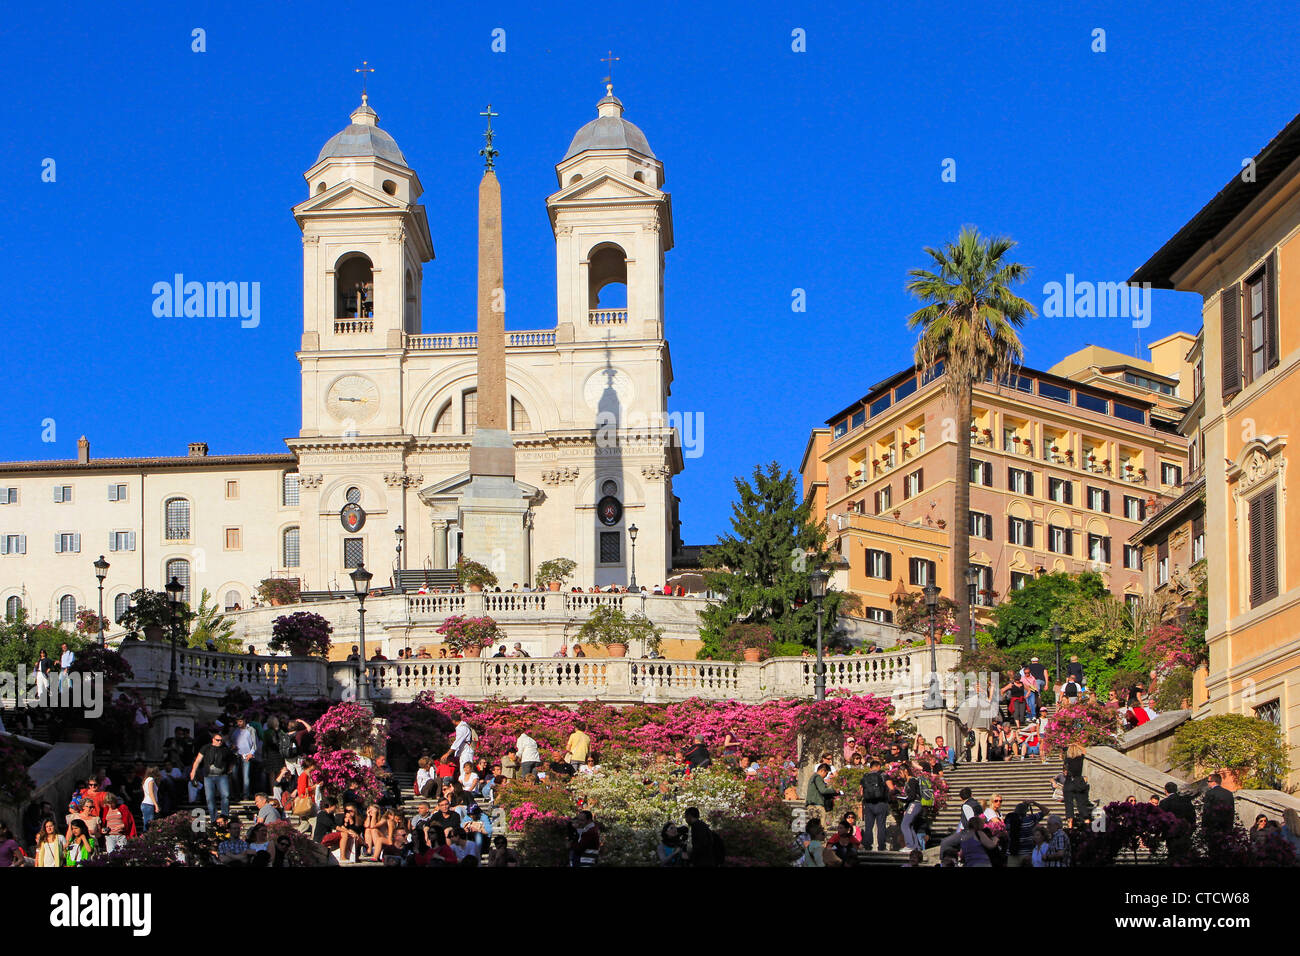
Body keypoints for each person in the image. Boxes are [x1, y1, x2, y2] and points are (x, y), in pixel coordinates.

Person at [191, 731, 236, 819]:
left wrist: (230, 770)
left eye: (221, 740)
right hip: (209, 776)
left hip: (222, 775)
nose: (219, 742)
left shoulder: (225, 749)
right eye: (217, 740)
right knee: (210, 798)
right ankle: (213, 818)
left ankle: (224, 815)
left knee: (225, 795)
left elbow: (232, 760)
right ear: (213, 740)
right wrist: (193, 771)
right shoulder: (206, 748)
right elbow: (198, 760)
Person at [860, 758, 891, 852]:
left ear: (870, 768)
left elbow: (861, 792)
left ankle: (867, 846)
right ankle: (881, 846)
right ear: (879, 767)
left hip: (869, 803)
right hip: (881, 803)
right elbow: (891, 788)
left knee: (868, 826)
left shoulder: (865, 776)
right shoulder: (884, 775)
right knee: (881, 825)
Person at [897, 763, 925, 852]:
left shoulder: (912, 781)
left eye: (900, 773)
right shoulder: (908, 782)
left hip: (915, 804)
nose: (900, 775)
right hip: (912, 804)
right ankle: (916, 847)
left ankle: (910, 845)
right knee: (910, 825)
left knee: (904, 825)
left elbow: (911, 796)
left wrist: (899, 797)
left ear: (905, 771)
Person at [1062, 743, 1090, 821]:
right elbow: (1084, 751)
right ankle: (1086, 821)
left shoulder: (1067, 759)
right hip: (1079, 782)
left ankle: (1070, 823)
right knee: (1081, 803)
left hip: (1069, 782)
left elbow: (1065, 771)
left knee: (1069, 804)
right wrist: (1077, 745)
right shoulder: (1080, 758)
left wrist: (1069, 746)